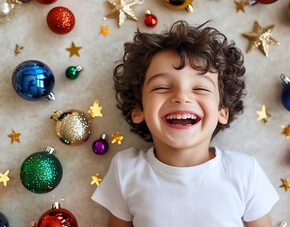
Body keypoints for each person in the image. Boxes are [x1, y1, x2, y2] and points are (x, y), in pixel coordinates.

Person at [91, 20, 279, 227]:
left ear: (222, 112)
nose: (181, 97)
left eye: (200, 88)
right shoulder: (126, 170)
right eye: (161, 87)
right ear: (138, 111)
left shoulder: (245, 171)